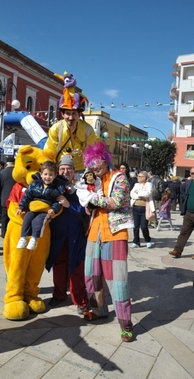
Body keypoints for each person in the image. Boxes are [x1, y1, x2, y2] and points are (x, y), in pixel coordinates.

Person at [79, 141, 134, 343]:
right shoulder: (93, 178)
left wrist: (91, 200)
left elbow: (116, 202)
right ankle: (99, 309)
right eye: (90, 163)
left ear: (106, 160)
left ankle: (126, 325)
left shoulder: (120, 178)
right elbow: (84, 197)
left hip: (115, 234)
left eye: (96, 162)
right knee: (92, 276)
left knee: (117, 281)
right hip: (94, 233)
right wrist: (87, 201)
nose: (94, 166)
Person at [45, 154, 89, 314]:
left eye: (68, 169)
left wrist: (69, 204)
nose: (65, 171)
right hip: (58, 235)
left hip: (75, 235)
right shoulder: (51, 187)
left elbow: (86, 211)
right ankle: (59, 295)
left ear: (73, 171)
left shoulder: (81, 188)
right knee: (58, 265)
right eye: (62, 168)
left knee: (77, 267)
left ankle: (80, 300)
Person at [16, 161, 66, 250]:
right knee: (27, 218)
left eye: (50, 175)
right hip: (34, 208)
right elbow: (27, 196)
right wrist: (21, 207)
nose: (47, 177)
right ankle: (23, 238)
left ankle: (34, 239)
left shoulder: (56, 188)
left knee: (38, 221)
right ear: (41, 174)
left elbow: (57, 202)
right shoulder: (35, 184)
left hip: (45, 209)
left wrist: (53, 209)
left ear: (55, 176)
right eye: (45, 174)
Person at [169, 167, 194, 259]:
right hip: (188, 212)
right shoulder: (189, 183)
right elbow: (182, 190)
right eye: (191, 173)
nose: (193, 175)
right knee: (184, 233)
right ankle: (177, 251)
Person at [130, 171, 154, 248]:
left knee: (144, 226)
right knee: (136, 226)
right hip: (136, 207)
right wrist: (140, 194)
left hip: (144, 208)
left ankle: (148, 240)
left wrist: (138, 193)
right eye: (138, 176)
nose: (138, 178)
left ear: (145, 178)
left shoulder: (149, 185)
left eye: (140, 176)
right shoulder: (136, 185)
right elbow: (132, 194)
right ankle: (136, 242)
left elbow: (148, 194)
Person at [0, 156, 16, 238]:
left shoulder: (2, 172)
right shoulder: (16, 172)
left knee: (4, 217)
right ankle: (12, 232)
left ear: (7, 163)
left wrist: (0, 195)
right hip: (15, 198)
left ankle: (3, 233)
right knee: (13, 217)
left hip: (4, 198)